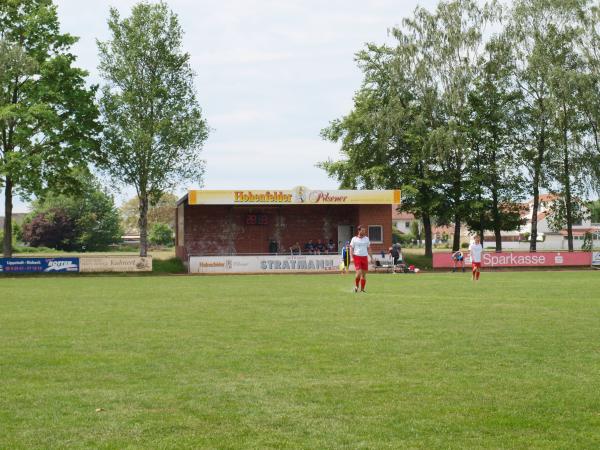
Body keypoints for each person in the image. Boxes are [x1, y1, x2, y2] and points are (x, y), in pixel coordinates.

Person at [350, 225, 372, 292]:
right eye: (362, 230)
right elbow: (351, 248)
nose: (364, 231)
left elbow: (369, 248)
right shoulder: (354, 239)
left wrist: (371, 257)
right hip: (357, 257)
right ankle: (356, 286)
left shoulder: (366, 239)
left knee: (364, 274)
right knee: (358, 273)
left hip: (364, 257)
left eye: (364, 230)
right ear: (359, 230)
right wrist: (351, 257)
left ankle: (362, 289)